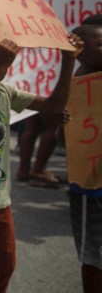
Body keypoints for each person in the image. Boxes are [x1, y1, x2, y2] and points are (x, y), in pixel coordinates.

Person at [0, 36, 84, 293]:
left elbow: (54, 105)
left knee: (6, 265)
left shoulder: (6, 92)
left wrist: (68, 60)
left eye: (0, 57)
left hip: (0, 198)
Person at [59, 17, 102, 293]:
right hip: (91, 191)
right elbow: (62, 140)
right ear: (82, 51)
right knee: (94, 256)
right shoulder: (78, 86)